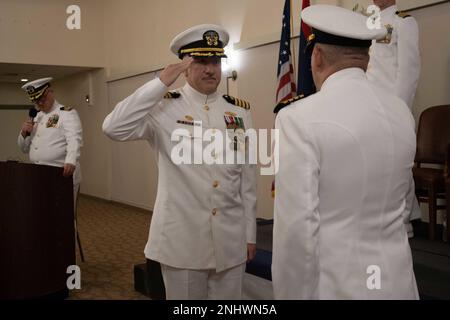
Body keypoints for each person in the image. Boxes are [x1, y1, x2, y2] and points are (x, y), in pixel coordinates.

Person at [272, 5, 418, 299]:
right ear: (366, 58)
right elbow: (400, 206)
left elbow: (297, 232)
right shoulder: (402, 113)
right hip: (397, 282)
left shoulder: (297, 118)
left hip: (337, 286)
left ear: (317, 56)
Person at [103, 24, 257, 300]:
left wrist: (250, 233)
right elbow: (113, 128)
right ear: (185, 66)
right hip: (183, 242)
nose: (210, 69)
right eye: (200, 61)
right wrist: (159, 83)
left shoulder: (238, 112)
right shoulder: (163, 106)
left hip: (231, 241)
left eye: (215, 61)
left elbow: (247, 176)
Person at [367, 0, 422, 236]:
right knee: (375, 163)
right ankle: (380, 215)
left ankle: (404, 221)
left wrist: (399, 108)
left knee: (397, 163)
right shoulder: (366, 23)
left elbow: (409, 71)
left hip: (391, 104)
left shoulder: (404, 22)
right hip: (368, 102)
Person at [18, 77, 83, 205]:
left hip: (61, 174)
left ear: (50, 92)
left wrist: (71, 161)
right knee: (45, 215)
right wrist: (24, 133)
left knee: (64, 217)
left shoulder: (67, 113)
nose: (39, 104)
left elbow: (74, 139)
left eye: (42, 99)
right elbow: (24, 148)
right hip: (39, 175)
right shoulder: (36, 116)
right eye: (36, 101)